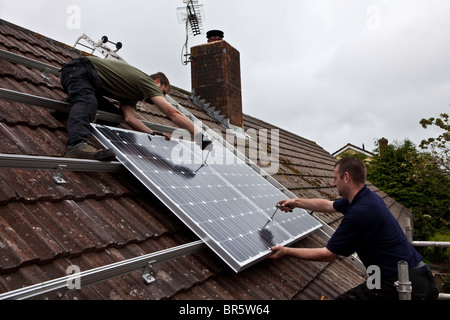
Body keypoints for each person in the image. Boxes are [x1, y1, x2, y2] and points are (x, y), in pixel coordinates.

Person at [270, 157, 439, 300]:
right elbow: (328, 205)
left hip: (405, 284)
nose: (333, 183)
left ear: (347, 177)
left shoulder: (361, 212)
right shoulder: (363, 197)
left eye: (336, 178)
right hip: (412, 277)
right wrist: (296, 202)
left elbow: (327, 254)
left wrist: (285, 251)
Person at [60, 56, 212, 160]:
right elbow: (172, 113)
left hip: (88, 83)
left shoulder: (132, 95)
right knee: (88, 102)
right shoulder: (147, 82)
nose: (162, 97)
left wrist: (153, 133)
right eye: (163, 92)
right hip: (80, 70)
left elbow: (129, 118)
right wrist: (201, 138)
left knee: (113, 116)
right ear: (157, 82)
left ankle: (68, 109)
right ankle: (76, 145)